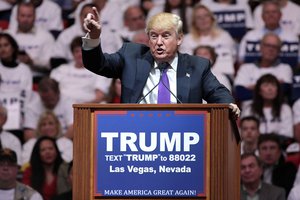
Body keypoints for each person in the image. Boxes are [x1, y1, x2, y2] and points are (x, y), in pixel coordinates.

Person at [81, 8, 240, 117]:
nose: (159, 42)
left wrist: (228, 104)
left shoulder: (197, 66)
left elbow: (217, 92)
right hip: (136, 134)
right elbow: (97, 64)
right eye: (154, 36)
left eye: (165, 36)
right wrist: (94, 37)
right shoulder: (131, 56)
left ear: (179, 39)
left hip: (181, 137)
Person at [235, 33, 293, 108]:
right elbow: (240, 94)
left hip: (278, 113)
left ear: (279, 51)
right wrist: (273, 88)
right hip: (250, 113)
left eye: (275, 47)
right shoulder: (246, 68)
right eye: (268, 45)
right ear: (261, 47)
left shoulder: (285, 68)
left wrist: (255, 87)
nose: (271, 49)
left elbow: (284, 91)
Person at [179, 4, 236, 77]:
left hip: (221, 76)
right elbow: (185, 64)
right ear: (194, 22)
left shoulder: (224, 36)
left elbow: (231, 60)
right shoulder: (187, 39)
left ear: (212, 18)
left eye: (206, 16)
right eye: (199, 17)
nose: (203, 19)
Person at [50, 36, 111, 104]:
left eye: (83, 51)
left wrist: (81, 108)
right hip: (62, 107)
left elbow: (99, 97)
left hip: (87, 108)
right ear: (72, 54)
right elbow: (51, 91)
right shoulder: (61, 70)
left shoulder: (98, 70)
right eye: (77, 51)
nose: (80, 54)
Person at [238, 0, 299, 68]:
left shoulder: (292, 38)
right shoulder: (250, 37)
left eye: (274, 12)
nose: (271, 15)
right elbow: (241, 61)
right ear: (262, 16)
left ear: (280, 15)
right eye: (267, 12)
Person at [6, 1, 55, 81]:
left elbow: (50, 64)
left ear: (35, 17)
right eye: (22, 16)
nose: (25, 19)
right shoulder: (7, 36)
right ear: (16, 17)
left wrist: (32, 61)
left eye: (29, 16)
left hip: (37, 78)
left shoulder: (46, 36)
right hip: (8, 77)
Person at [241, 74, 293, 139]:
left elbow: (288, 134)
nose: (270, 89)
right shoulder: (249, 109)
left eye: (273, 85)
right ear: (259, 91)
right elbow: (244, 132)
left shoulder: (285, 109)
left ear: (277, 90)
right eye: (266, 85)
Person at [0, 32, 33, 133]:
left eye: (6, 45)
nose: (3, 49)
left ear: (13, 48)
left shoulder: (24, 70)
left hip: (18, 113)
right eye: (0, 46)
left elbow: (26, 95)